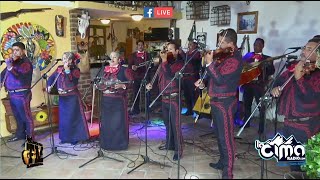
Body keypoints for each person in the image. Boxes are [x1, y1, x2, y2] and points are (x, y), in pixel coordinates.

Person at [194, 28, 243, 179]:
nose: (219, 45)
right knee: (218, 134)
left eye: (222, 42)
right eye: (219, 41)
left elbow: (221, 80)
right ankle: (222, 161)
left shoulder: (235, 60)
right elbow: (214, 77)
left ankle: (228, 172)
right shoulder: (223, 57)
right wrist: (204, 83)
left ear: (231, 44)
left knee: (226, 137)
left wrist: (210, 64)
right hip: (215, 101)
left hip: (225, 103)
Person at [271, 35, 320, 172]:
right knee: (294, 164)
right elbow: (279, 82)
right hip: (289, 124)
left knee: (306, 166)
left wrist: (299, 79)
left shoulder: (317, 74)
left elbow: (312, 97)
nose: (304, 51)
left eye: (309, 49)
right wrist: (274, 89)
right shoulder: (296, 67)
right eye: (305, 47)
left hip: (307, 126)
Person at [146, 41, 190, 161]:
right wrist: (151, 84)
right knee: (167, 124)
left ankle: (178, 149)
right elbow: (159, 76)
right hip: (164, 98)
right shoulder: (163, 63)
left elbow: (171, 76)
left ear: (176, 51)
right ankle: (170, 144)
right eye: (166, 49)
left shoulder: (179, 64)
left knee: (175, 125)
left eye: (171, 49)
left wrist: (164, 61)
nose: (168, 51)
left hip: (174, 98)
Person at [47, 52, 89, 145]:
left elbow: (73, 81)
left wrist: (67, 71)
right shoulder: (59, 69)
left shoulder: (76, 70)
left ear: (71, 60)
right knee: (64, 119)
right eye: (63, 58)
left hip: (72, 97)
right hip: (63, 97)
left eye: (67, 59)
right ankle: (65, 138)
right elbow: (51, 78)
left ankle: (75, 138)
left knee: (73, 118)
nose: (64, 60)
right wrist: (49, 85)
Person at [99, 51, 134, 150]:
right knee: (107, 123)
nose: (112, 59)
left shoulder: (124, 70)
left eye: (114, 57)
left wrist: (123, 85)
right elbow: (100, 82)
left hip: (118, 100)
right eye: (111, 57)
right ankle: (107, 144)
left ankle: (119, 145)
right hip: (106, 100)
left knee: (118, 123)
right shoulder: (104, 70)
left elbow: (131, 81)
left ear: (119, 59)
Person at [1, 42, 34, 143]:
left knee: (26, 116)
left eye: (17, 50)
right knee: (17, 116)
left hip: (22, 94)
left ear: (23, 51)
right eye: (13, 50)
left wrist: (10, 68)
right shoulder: (13, 62)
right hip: (12, 94)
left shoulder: (26, 63)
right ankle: (20, 135)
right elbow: (3, 75)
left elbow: (20, 78)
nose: (14, 52)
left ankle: (30, 138)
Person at [241, 38, 275, 129]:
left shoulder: (267, 58)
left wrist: (268, 65)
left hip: (259, 85)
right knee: (246, 105)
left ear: (263, 46)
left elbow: (272, 71)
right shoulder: (248, 56)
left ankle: (261, 127)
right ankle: (246, 123)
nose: (256, 47)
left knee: (261, 106)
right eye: (255, 45)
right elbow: (242, 69)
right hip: (248, 84)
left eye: (258, 45)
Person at [128, 40, 151, 115]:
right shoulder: (132, 55)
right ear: (137, 46)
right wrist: (132, 67)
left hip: (145, 76)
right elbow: (129, 66)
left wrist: (149, 65)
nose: (140, 46)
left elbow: (152, 65)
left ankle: (148, 109)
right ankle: (136, 110)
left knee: (147, 93)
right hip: (136, 77)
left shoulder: (147, 55)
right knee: (136, 93)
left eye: (142, 45)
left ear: (144, 46)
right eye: (139, 45)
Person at [179, 40, 202, 116]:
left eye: (191, 44)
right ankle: (189, 110)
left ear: (195, 45)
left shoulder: (197, 53)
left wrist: (182, 53)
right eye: (188, 44)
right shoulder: (187, 53)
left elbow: (189, 60)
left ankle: (197, 113)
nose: (189, 46)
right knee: (187, 95)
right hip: (185, 77)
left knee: (194, 95)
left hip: (192, 77)